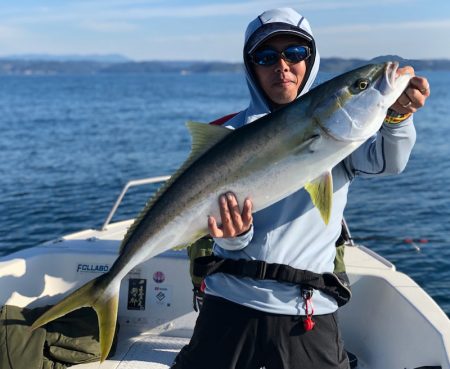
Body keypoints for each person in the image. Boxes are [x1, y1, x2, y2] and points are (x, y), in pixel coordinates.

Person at [171, 7, 430, 369]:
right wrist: (232, 238)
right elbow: (212, 231)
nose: (282, 66)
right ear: (251, 67)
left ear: (311, 59)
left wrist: (397, 118)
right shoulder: (229, 139)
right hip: (229, 303)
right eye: (266, 56)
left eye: (295, 53)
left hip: (306, 311)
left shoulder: (341, 137)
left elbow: (389, 161)